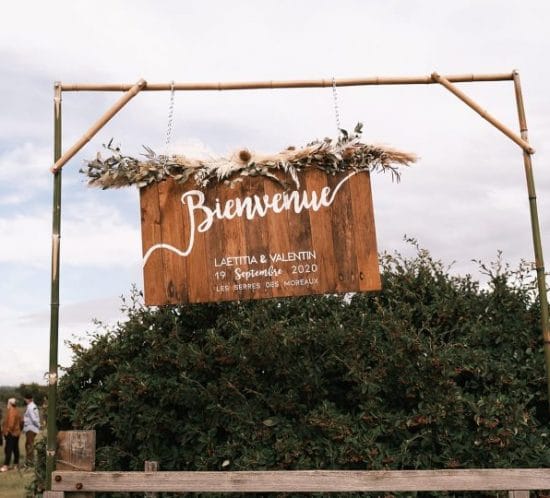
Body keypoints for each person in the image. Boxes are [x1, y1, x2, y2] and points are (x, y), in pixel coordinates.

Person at [1, 398, 22, 471]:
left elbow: (11, 423)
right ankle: (16, 464)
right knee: (15, 449)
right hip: (16, 433)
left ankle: (6, 465)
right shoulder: (17, 410)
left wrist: (7, 431)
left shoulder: (11, 411)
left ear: (10, 403)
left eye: (8, 402)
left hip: (11, 433)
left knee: (8, 449)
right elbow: (21, 421)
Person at [23, 393, 40, 467]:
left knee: (29, 445)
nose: (25, 400)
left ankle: (30, 462)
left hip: (30, 428)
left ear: (27, 399)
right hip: (32, 428)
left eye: (25, 399)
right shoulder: (34, 406)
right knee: (28, 444)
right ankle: (29, 460)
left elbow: (33, 418)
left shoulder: (30, 407)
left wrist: (39, 425)